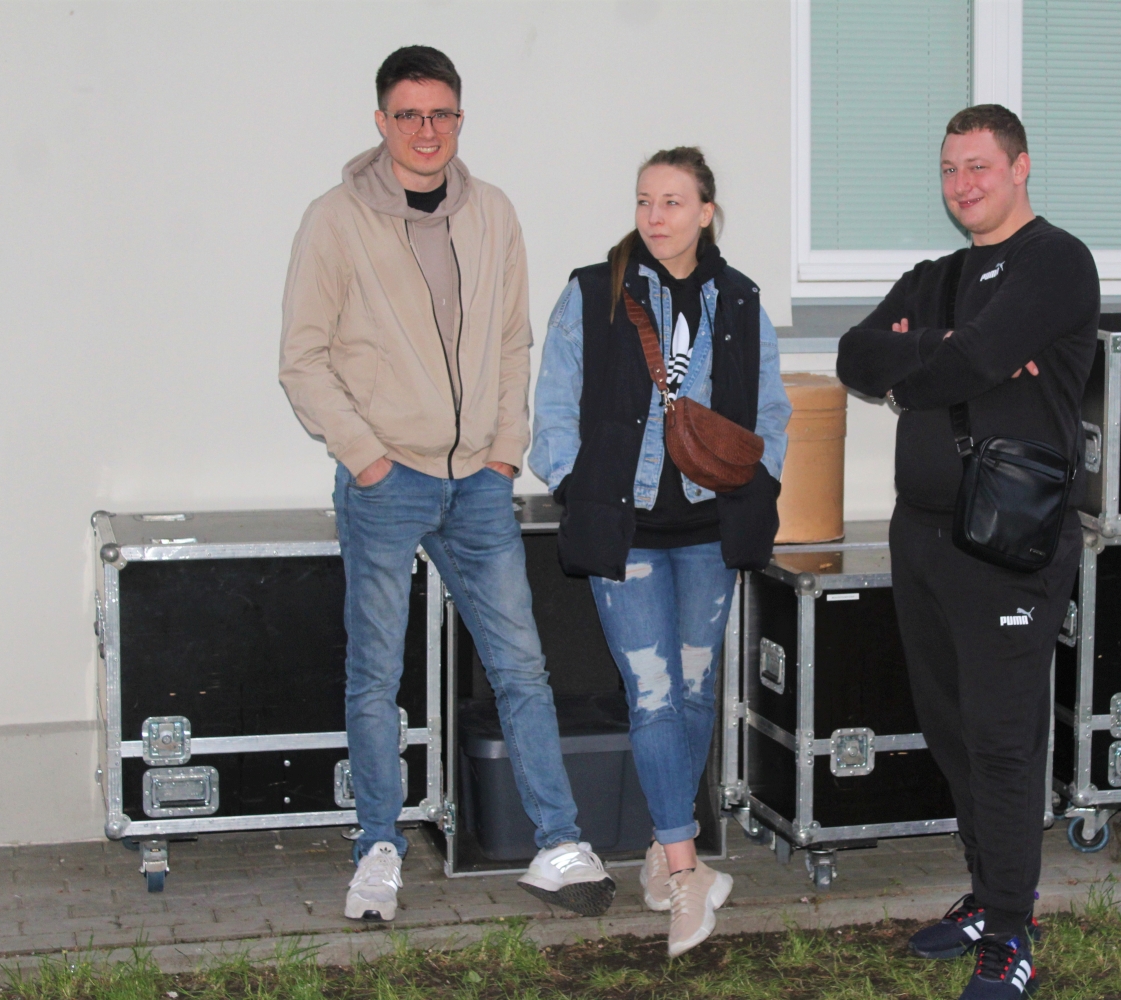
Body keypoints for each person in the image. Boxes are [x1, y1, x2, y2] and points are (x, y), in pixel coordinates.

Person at [279, 45, 615, 923]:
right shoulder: (334, 220)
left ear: (460, 120)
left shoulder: (492, 212)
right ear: (382, 122)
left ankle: (558, 845)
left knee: (522, 666)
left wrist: (505, 451)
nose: (426, 131)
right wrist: (366, 455)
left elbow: (510, 341)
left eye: (441, 114)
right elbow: (302, 359)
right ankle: (377, 848)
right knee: (375, 674)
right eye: (409, 115)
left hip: (478, 486)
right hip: (386, 481)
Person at [836, 105, 1099, 999]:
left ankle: (1012, 932)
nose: (962, 185)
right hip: (922, 534)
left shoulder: (1056, 262)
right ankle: (989, 897)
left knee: (1002, 741)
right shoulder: (937, 276)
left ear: (1021, 167)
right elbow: (855, 357)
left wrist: (930, 357)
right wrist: (947, 349)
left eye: (979, 167)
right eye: (950, 169)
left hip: (1009, 540)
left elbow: (968, 364)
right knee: (952, 731)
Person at [530, 147, 790, 956]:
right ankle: (686, 871)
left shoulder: (740, 299)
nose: (655, 215)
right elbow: (553, 406)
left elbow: (772, 411)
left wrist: (761, 480)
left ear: (706, 212)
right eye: (645, 199)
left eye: (673, 201)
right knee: (651, 696)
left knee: (694, 694)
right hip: (628, 532)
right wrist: (578, 485)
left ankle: (660, 844)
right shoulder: (593, 291)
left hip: (712, 531)